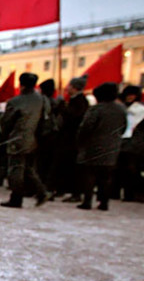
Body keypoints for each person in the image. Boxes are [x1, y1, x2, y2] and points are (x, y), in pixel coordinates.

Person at [0, 72, 49, 208]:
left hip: (18, 139)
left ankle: (16, 197)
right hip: (36, 139)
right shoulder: (43, 99)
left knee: (16, 169)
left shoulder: (16, 101)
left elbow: (6, 122)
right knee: (29, 168)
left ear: (20, 84)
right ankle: (41, 192)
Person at [75, 82, 127, 211]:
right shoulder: (121, 109)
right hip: (113, 146)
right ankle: (104, 202)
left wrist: (80, 140)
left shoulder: (96, 109)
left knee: (90, 174)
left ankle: (87, 200)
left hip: (94, 144)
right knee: (106, 176)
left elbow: (86, 126)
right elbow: (124, 127)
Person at [53, 77, 89, 201]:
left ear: (74, 88)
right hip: (67, 139)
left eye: (69, 86)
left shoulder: (80, 101)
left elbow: (73, 117)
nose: (67, 88)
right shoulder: (74, 100)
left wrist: (62, 105)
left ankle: (75, 193)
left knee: (72, 167)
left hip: (72, 139)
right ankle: (61, 189)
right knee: (63, 165)